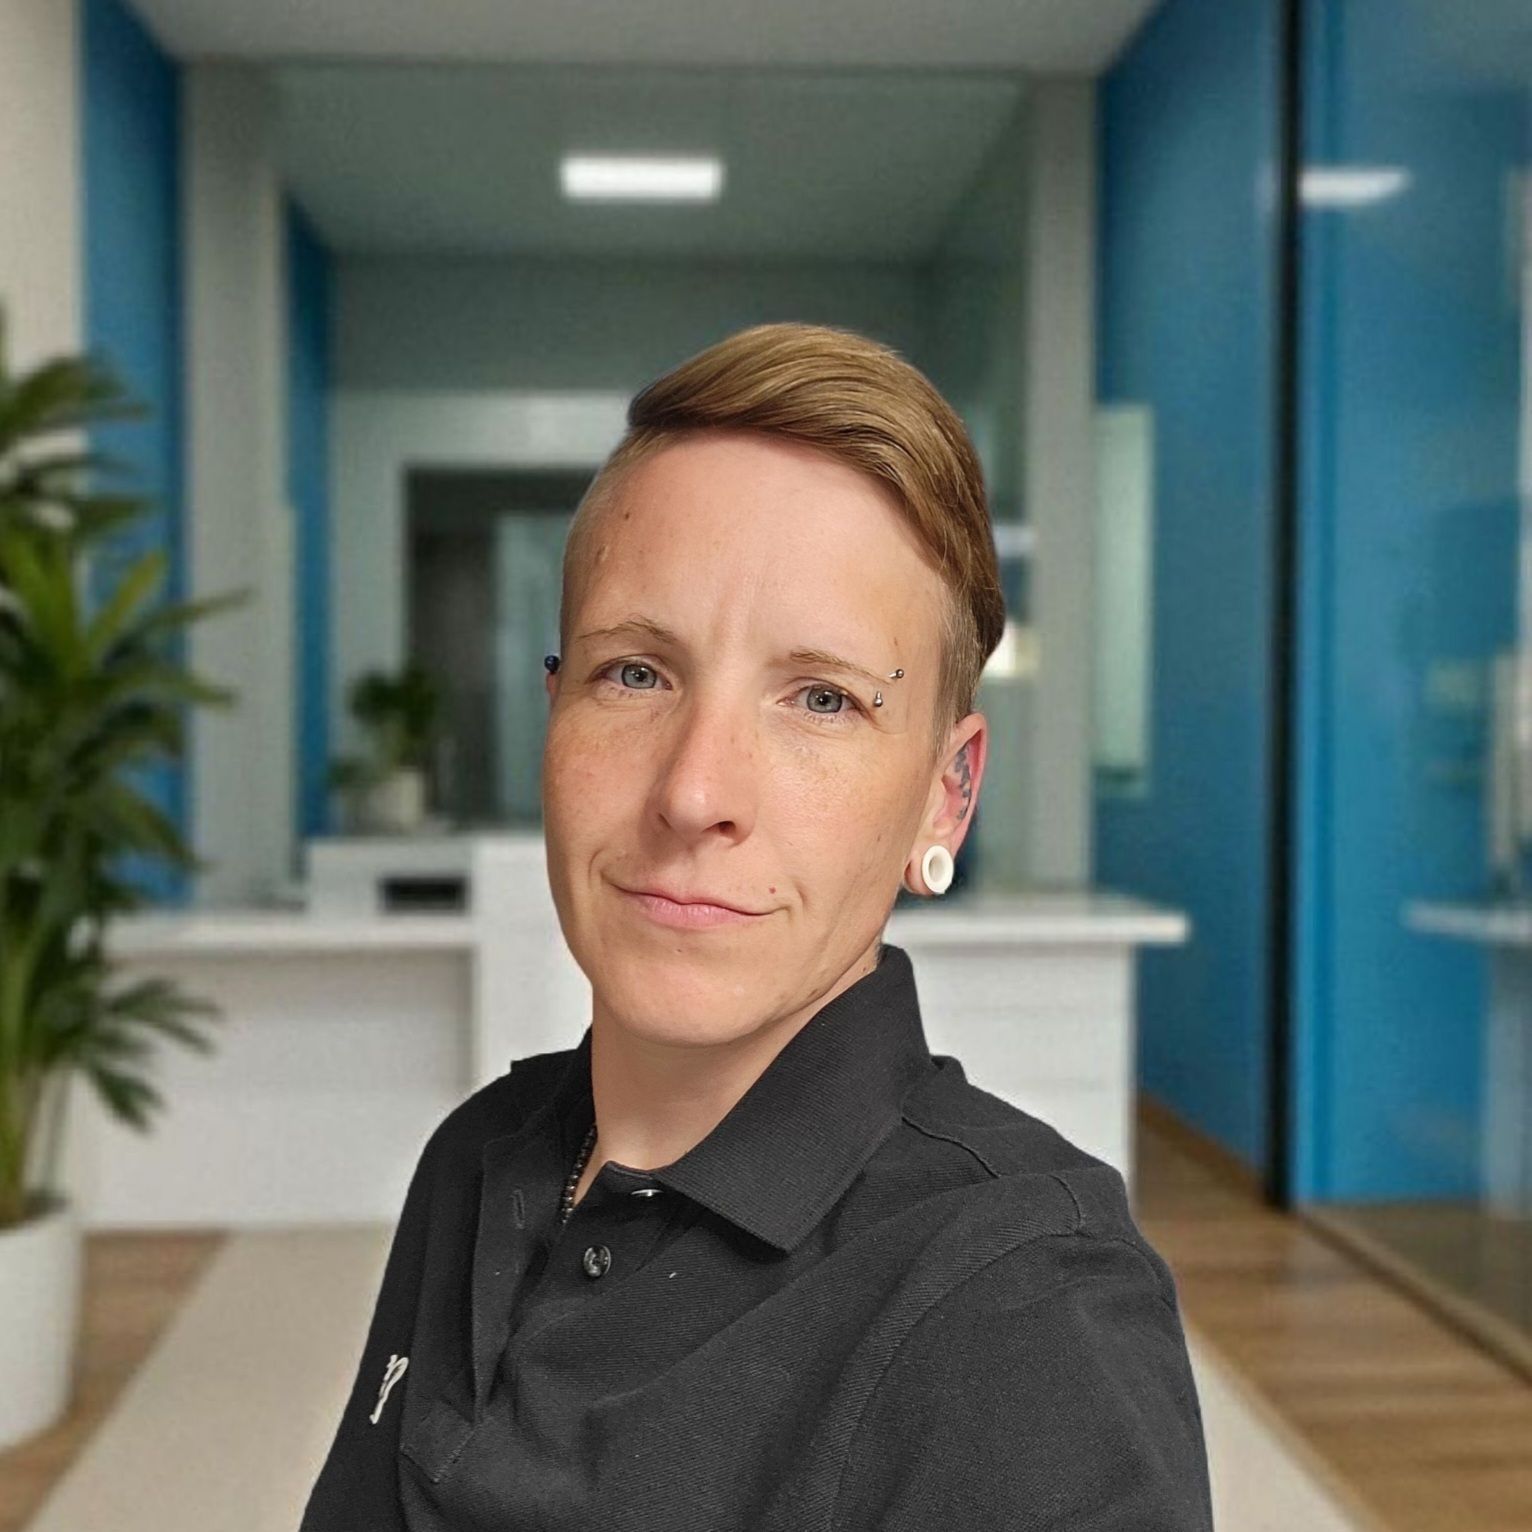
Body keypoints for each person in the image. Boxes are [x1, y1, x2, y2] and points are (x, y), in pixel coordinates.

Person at [298, 321, 1215, 1531]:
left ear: (947, 791)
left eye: (821, 697)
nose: (692, 791)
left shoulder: (1026, 1313)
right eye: (633, 672)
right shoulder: (476, 1158)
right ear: (553, 711)